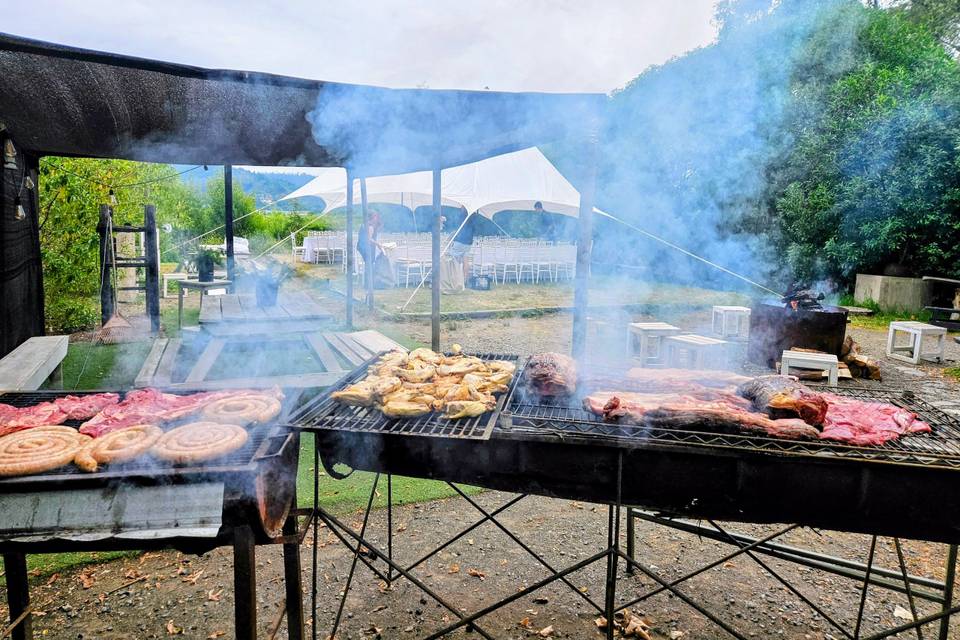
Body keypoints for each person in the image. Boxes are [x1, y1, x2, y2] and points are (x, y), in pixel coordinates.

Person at [449, 207, 477, 282]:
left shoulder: (462, 215)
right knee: (465, 260)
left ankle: (455, 279)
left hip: (460, 241)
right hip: (468, 242)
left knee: (453, 259)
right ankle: (464, 280)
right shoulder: (474, 215)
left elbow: (459, 227)